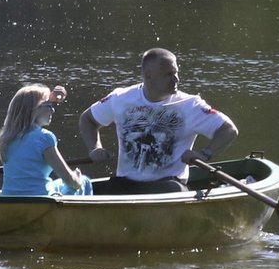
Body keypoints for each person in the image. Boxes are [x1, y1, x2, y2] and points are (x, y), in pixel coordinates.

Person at [78, 48, 238, 194]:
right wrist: (95, 148)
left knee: (173, 190)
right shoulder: (120, 98)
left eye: (176, 73)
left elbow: (228, 129)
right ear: (149, 76)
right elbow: (88, 119)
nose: (176, 79)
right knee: (86, 192)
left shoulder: (191, 105)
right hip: (126, 185)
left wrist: (205, 154)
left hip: (169, 185)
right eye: (168, 74)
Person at [0, 84, 92, 196]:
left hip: (9, 199)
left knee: (58, 184)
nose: (52, 110)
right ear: (34, 110)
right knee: (84, 181)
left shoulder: (6, 138)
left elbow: (32, 99)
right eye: (48, 106)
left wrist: (54, 96)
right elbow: (69, 179)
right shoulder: (44, 138)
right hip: (40, 202)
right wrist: (78, 179)